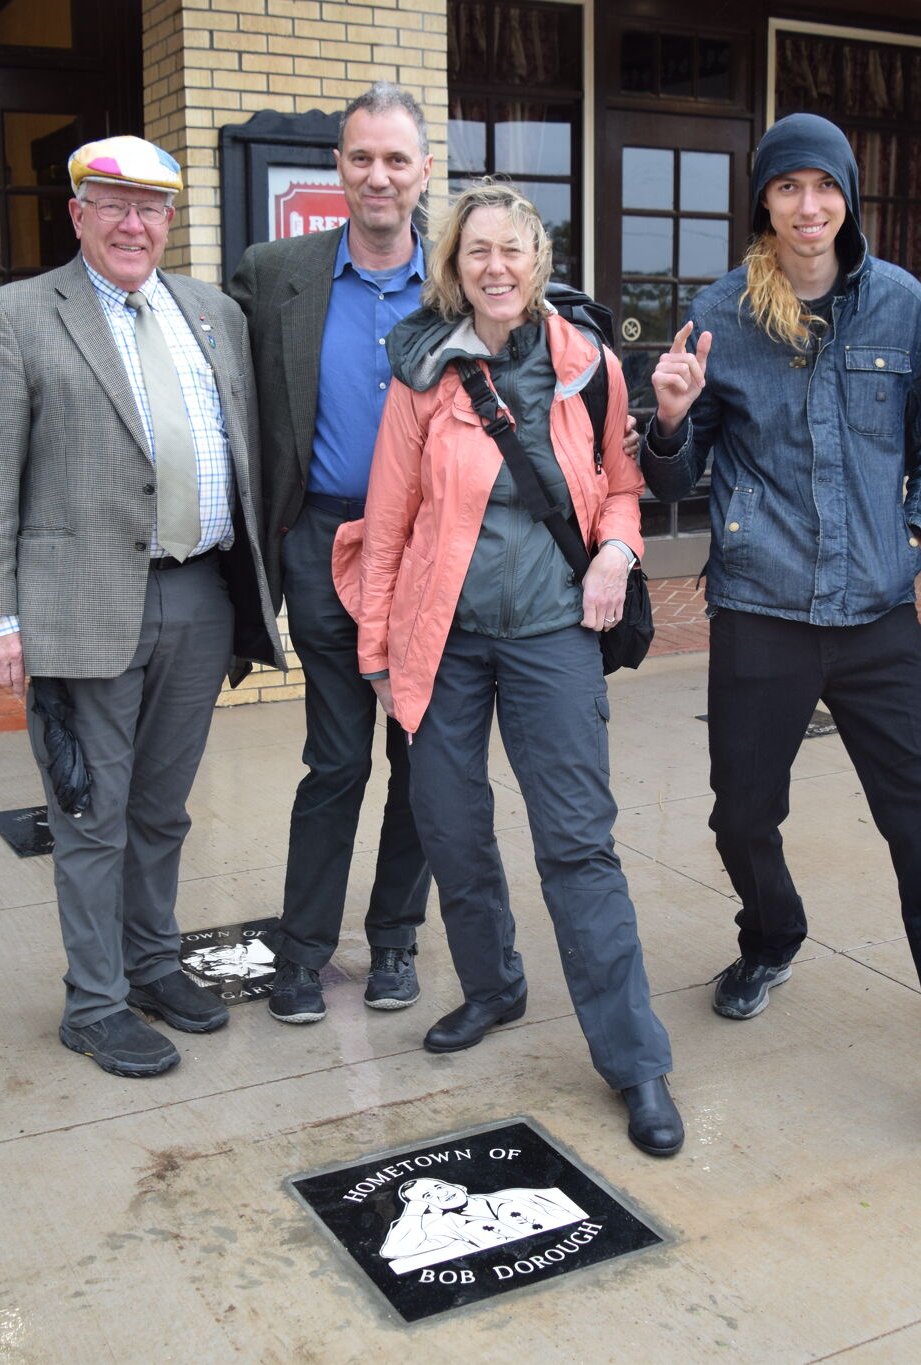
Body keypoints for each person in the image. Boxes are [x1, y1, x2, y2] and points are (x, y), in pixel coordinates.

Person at [643, 113, 921, 1145]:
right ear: (762, 201)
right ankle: (770, 933)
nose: (808, 206)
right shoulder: (719, 311)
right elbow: (675, 475)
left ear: (848, 197)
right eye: (787, 188)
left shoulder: (900, 307)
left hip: (877, 613)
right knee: (740, 816)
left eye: (825, 187)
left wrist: (913, 540)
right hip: (759, 608)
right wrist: (665, 419)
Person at [351, 182, 682, 1157]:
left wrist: (618, 554)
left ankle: (635, 1061)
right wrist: (377, 650)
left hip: (550, 634)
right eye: (473, 251)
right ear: (452, 268)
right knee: (448, 824)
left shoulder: (587, 367)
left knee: (576, 843)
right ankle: (493, 987)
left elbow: (622, 490)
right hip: (441, 633)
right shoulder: (421, 371)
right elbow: (385, 524)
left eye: (510, 249)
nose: (493, 266)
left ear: (536, 261)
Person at [0, 135, 284, 1078]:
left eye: (151, 207)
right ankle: (94, 1003)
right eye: (113, 204)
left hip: (200, 594)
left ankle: (151, 964)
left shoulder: (213, 312)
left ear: (170, 219)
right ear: (78, 214)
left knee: (162, 807)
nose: (133, 223)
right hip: (79, 606)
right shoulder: (19, 315)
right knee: (90, 813)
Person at [229, 83, 435, 1024]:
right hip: (320, 538)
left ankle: (395, 940)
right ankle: (304, 952)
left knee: (422, 756)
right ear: (339, 169)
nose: (378, 176)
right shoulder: (277, 273)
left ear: (424, 172)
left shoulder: (459, 283)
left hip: (432, 549)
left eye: (396, 159)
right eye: (361, 158)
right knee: (336, 759)